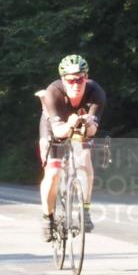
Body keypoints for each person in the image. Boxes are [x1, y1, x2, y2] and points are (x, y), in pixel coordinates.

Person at [38, 54, 106, 242]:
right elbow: (59, 132)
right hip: (55, 126)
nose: (76, 83)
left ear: (87, 77)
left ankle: (85, 210)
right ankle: (48, 218)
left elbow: (92, 131)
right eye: (71, 80)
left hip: (80, 126)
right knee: (52, 172)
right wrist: (70, 124)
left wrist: (86, 123)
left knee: (84, 158)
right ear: (63, 80)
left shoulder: (96, 92)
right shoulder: (54, 92)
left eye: (81, 78)